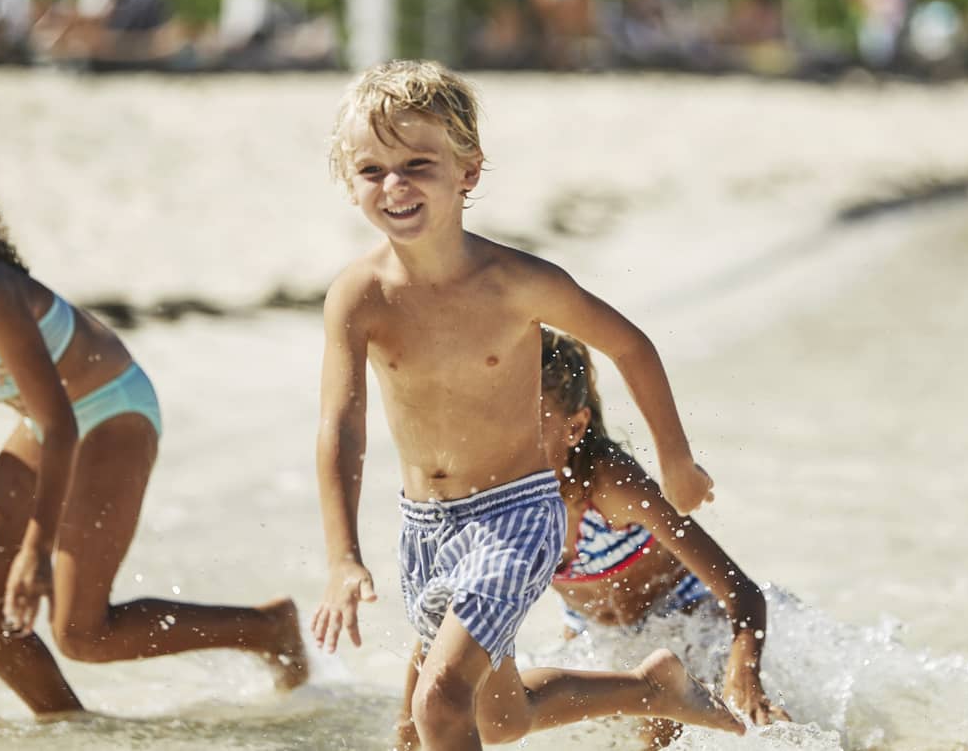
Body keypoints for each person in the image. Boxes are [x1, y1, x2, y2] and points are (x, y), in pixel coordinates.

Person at [308, 60, 745, 751]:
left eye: (417, 164)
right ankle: (652, 688)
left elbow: (630, 346)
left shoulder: (517, 283)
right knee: (497, 716)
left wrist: (676, 460)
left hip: (515, 515)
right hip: (425, 526)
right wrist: (343, 555)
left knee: (440, 700)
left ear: (468, 172)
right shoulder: (357, 296)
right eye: (371, 170)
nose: (394, 186)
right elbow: (342, 424)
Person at [0, 141, 308, 717]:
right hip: (50, 419)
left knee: (84, 633)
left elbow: (60, 423)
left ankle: (266, 629)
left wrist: (37, 549)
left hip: (110, 413)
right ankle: (69, 725)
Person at [394, 327, 790, 749]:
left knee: (671, 737)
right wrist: (406, 724)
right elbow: (449, 613)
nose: (507, 443)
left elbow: (740, 591)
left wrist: (745, 673)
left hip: (690, 621)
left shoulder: (610, 485)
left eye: (528, 426)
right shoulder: (497, 502)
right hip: (596, 638)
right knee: (496, 720)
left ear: (576, 426)